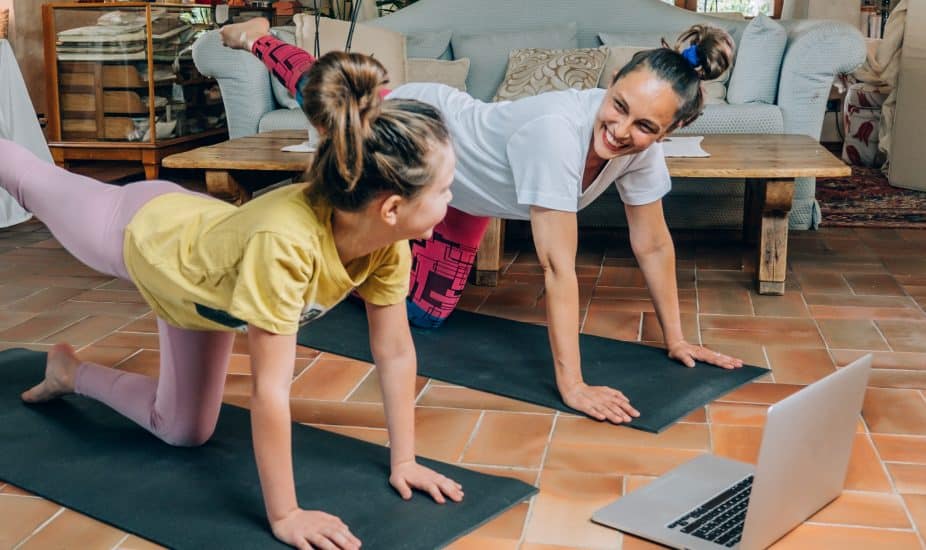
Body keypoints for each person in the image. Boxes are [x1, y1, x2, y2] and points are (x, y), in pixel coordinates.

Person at [1, 50, 463, 550]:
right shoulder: (284, 245)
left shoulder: (386, 246)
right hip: (136, 230)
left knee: (183, 431)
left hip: (203, 286)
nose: (451, 200)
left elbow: (393, 352)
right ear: (392, 207)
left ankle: (67, 374)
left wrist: (406, 460)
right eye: (445, 189)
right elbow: (270, 390)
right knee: (30, 181)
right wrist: (286, 514)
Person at [221, 19, 745, 427]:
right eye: (618, 106)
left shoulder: (641, 148)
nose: (621, 130)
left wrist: (676, 338)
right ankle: (263, 41)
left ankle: (366, 275)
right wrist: (574, 386)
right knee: (330, 95)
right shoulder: (555, 134)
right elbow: (559, 270)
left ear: (671, 129)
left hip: (470, 200)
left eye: (645, 126)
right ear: (609, 84)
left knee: (425, 317)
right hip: (428, 131)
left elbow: (652, 243)